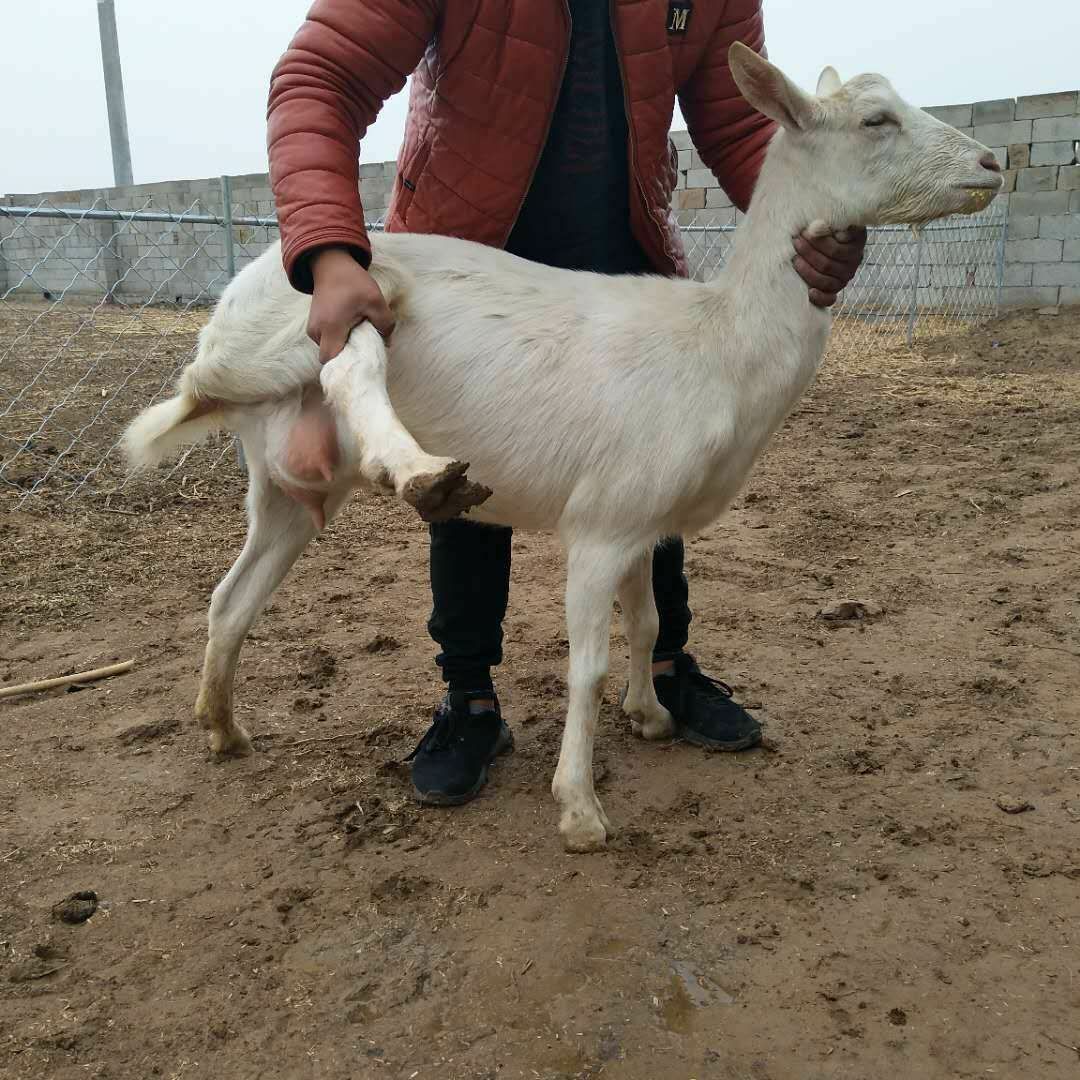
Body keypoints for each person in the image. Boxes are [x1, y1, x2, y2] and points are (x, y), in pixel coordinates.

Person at [267, 0, 866, 806]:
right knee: (468, 478)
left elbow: (743, 124)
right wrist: (332, 253)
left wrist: (820, 216)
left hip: (621, 249)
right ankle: (470, 696)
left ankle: (660, 671)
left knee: (661, 465)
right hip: (472, 249)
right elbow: (321, 75)